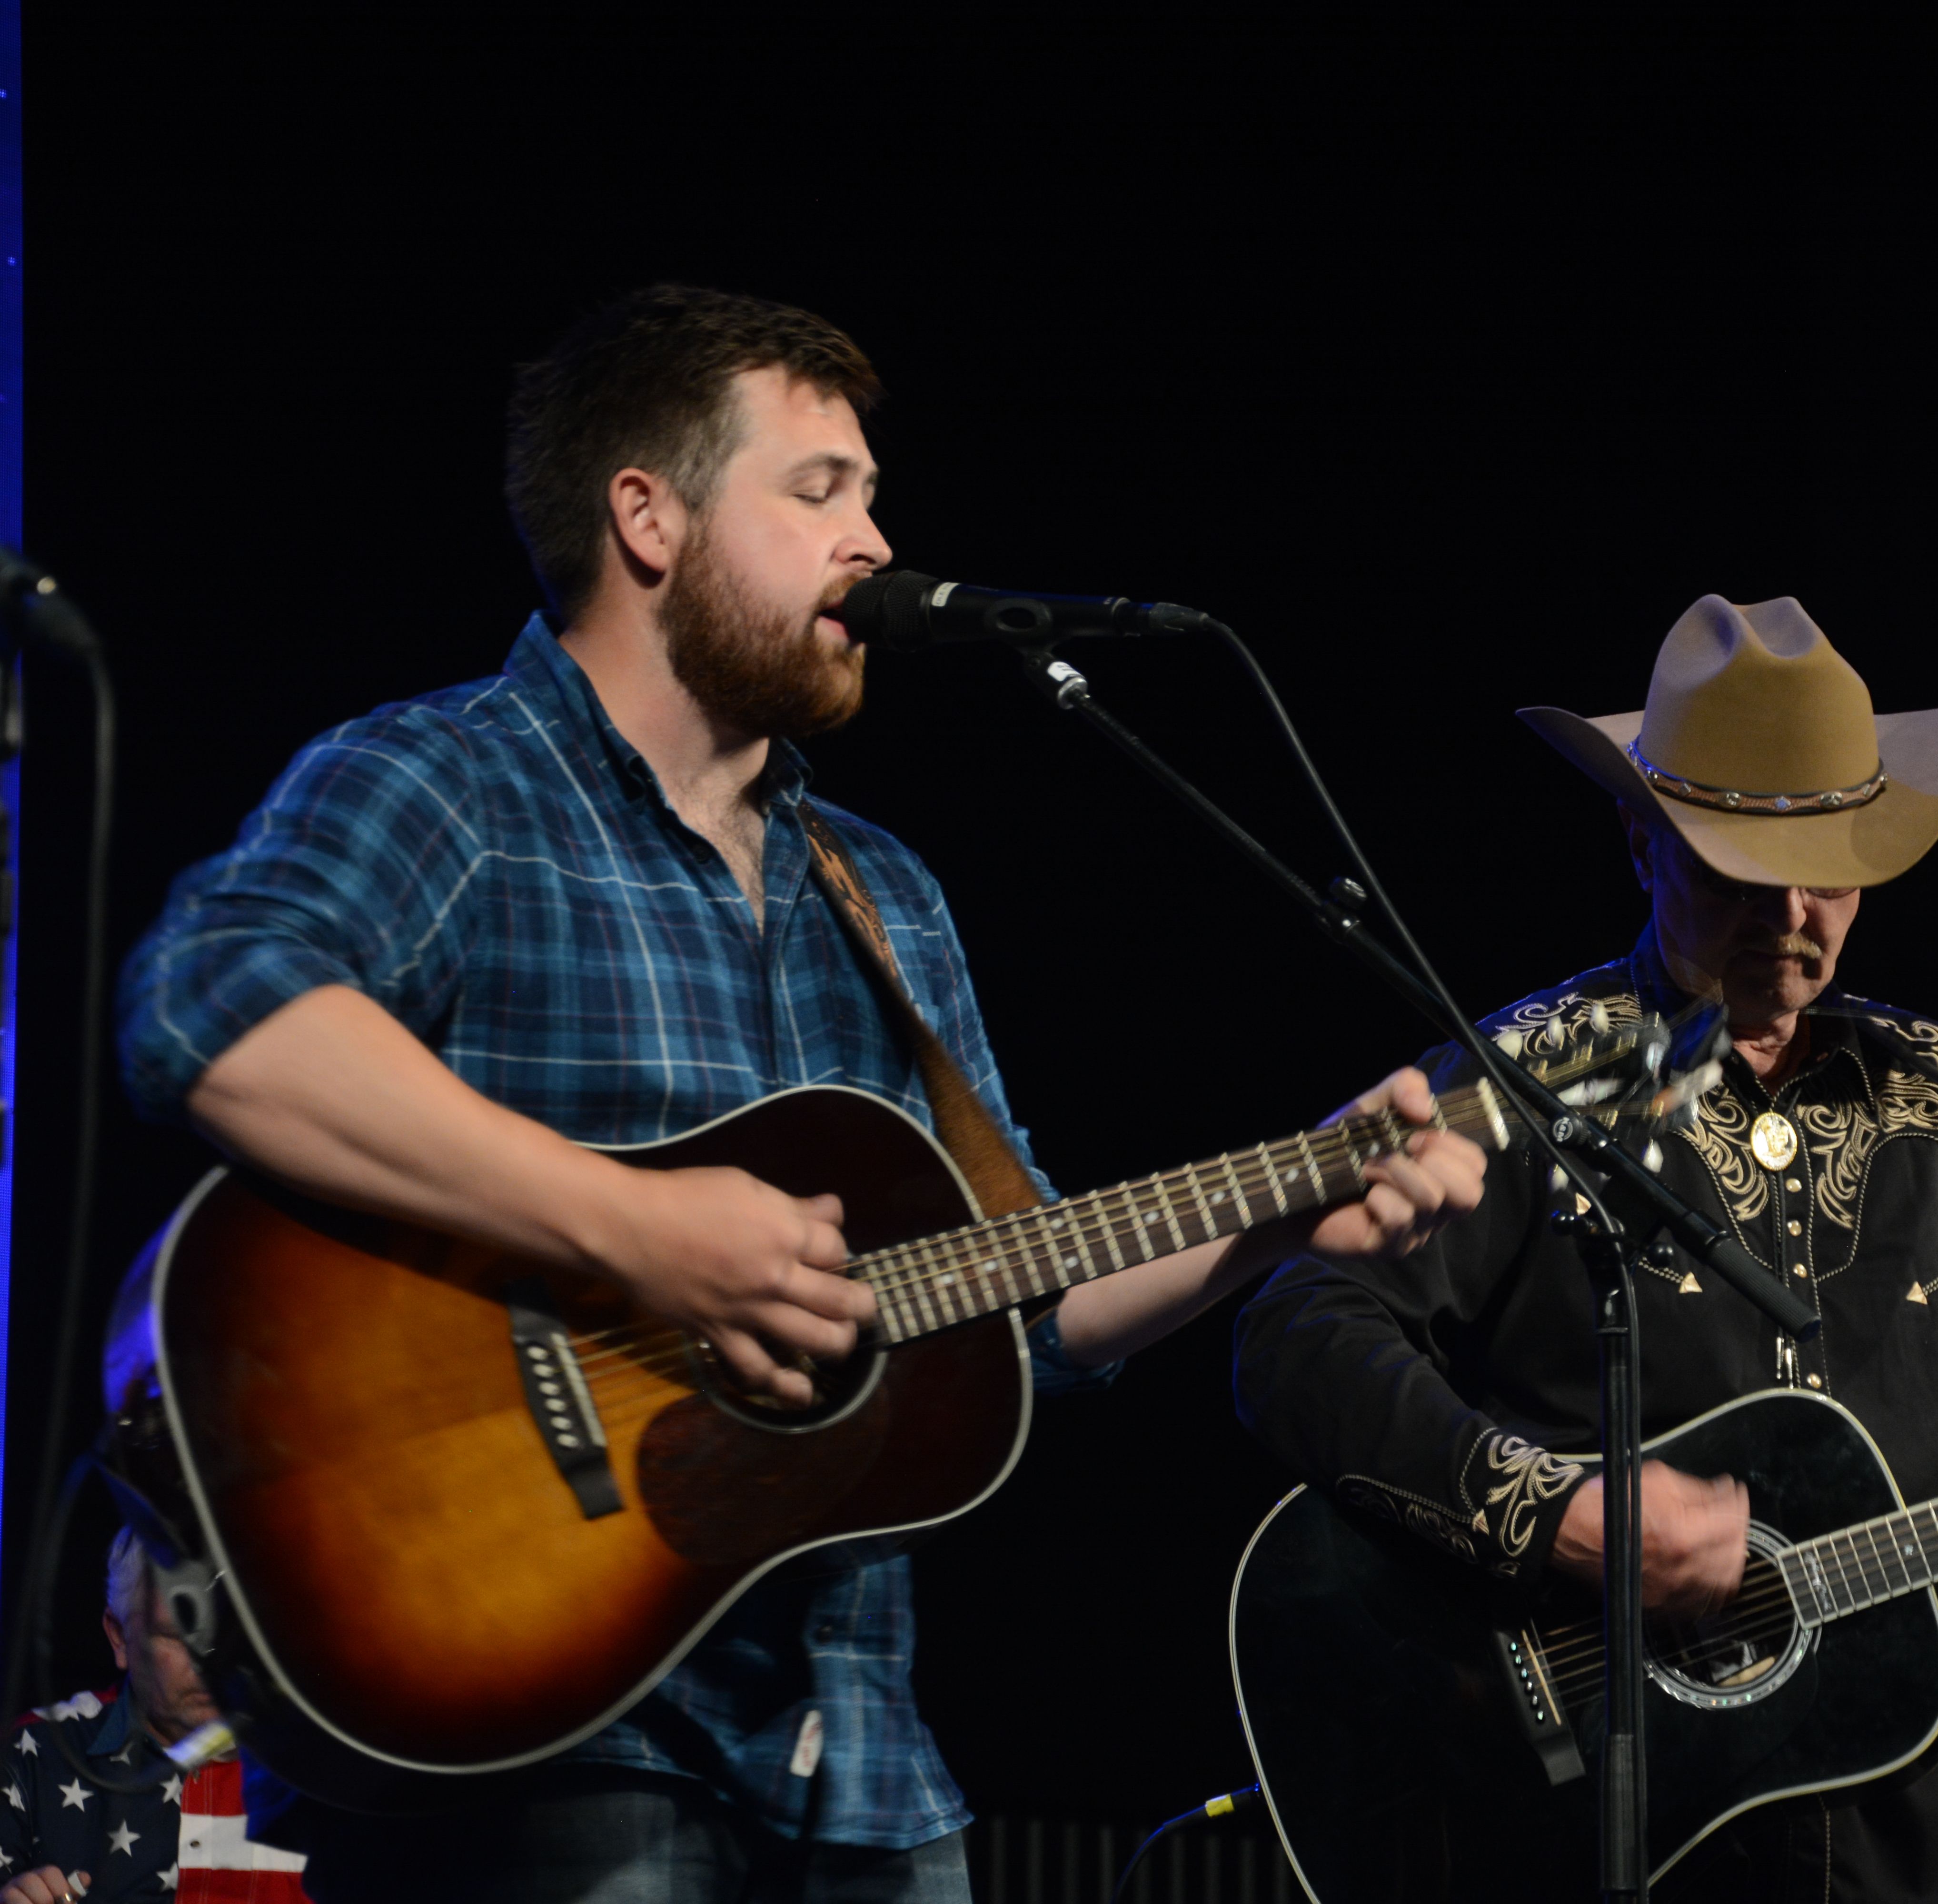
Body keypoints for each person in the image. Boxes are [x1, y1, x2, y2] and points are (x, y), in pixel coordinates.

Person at [111, 285, 1484, 1902]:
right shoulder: (448, 781)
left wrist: (1291, 1200)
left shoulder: (881, 891)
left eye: (873, 493)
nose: (876, 541)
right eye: (818, 489)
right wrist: (635, 1231)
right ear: (650, 519)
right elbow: (212, 1009)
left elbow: (1026, 1304)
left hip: (863, 1766)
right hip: (552, 1730)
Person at [1230, 594, 1938, 1902]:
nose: (1794, 912)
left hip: (1904, 1825)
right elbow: (1298, 1329)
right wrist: (1561, 1518)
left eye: (1829, 873)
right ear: (1641, 842)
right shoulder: (1527, 1080)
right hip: (1594, 1822)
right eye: (1740, 873)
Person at [0, 1531, 312, 1903]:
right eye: (181, 1634)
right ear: (119, 1636)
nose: (214, 1660)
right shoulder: (33, 1755)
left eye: (234, 1631)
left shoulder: (332, 1764)